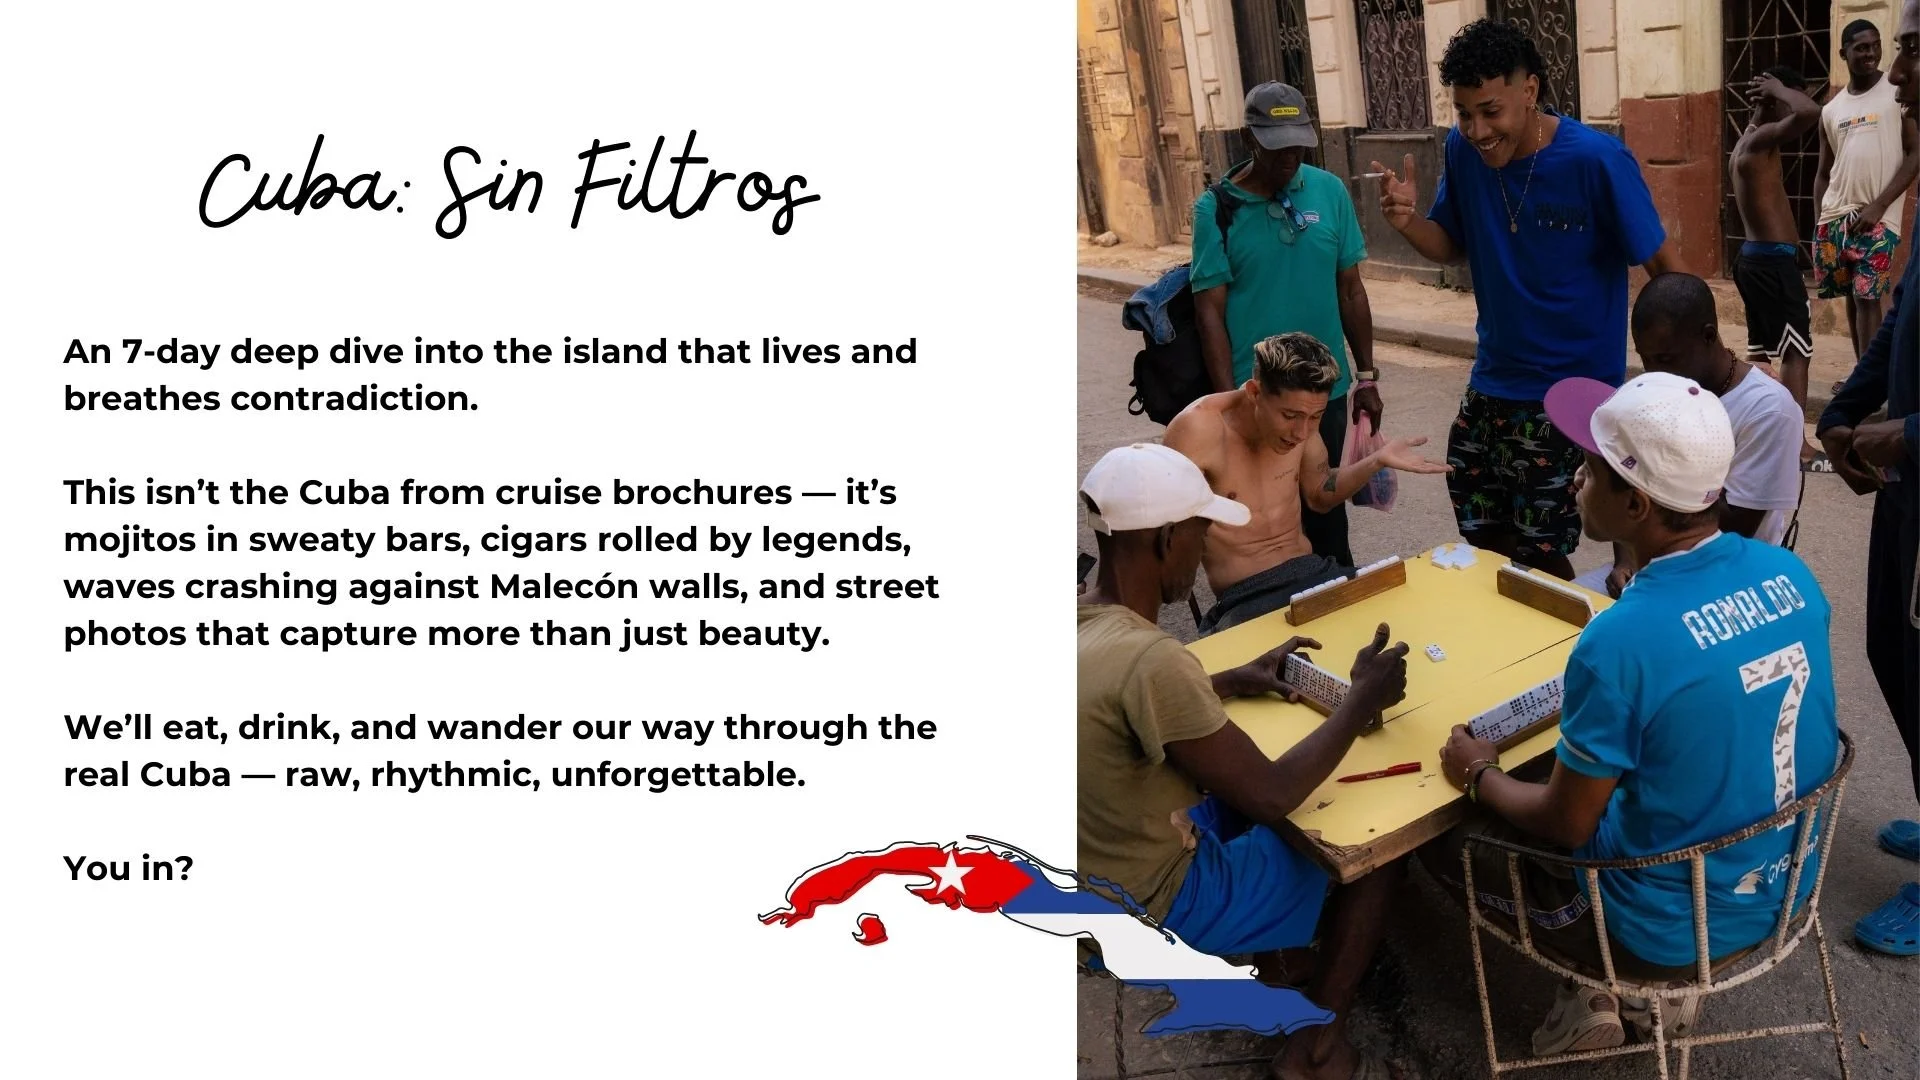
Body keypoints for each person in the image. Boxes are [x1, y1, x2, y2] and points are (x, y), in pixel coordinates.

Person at [1423, 371, 1840, 1054]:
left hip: (1665, 933)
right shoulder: (1788, 573)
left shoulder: (1620, 640)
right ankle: (1624, 994)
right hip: (1788, 885)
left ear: (1636, 505)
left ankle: (1601, 990)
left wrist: (1478, 774)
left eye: (1590, 471)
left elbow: (1565, 823)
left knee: (1445, 838)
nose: (1575, 482)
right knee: (1594, 767)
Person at [1077, 441, 1415, 1080]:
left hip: (1075, 882)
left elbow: (1121, 703)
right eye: (1199, 532)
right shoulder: (1153, 660)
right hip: (1147, 907)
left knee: (1227, 790)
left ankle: (1281, 960)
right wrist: (1359, 701)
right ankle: (1317, 1046)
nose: (1203, 549)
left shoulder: (1079, 617)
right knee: (1377, 845)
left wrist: (1230, 679)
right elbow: (1272, 792)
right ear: (1168, 538)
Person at [1372, 19, 1683, 581]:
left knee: (1542, 549)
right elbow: (1451, 246)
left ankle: (1575, 623)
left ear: (1530, 90)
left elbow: (1666, 269)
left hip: (1573, 390)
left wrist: (1678, 382)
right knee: (1481, 528)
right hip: (1493, 379)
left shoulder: (1596, 160)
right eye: (1463, 113)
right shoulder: (1463, 151)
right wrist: (1407, 221)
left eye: (1490, 111)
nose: (1477, 129)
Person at [1815, 0, 1920, 959]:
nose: (1903, 76)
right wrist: (1846, 409)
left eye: (1916, 55)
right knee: (1892, 646)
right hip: (1908, 495)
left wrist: (1907, 434)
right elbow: (1901, 323)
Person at [1192, 82, 1381, 567]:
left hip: (1323, 396)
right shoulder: (1216, 210)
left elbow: (1351, 290)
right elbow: (1209, 312)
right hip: (1258, 397)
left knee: (1326, 516)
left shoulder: (1329, 191)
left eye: (1298, 146)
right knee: (1267, 525)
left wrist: (1366, 378)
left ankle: (1335, 590)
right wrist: (1227, 403)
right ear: (1249, 139)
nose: (1289, 158)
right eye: (1276, 147)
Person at [1165, 332, 1451, 635]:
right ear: (1254, 392)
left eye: (1316, 417)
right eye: (1290, 415)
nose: (1302, 433)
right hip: (1246, 596)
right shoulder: (1198, 430)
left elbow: (1319, 493)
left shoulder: (1302, 422)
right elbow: (1160, 532)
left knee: (1409, 620)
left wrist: (1376, 460)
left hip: (1311, 572)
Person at [1575, 273, 1806, 596]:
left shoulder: (1768, 409)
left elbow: (1734, 527)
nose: (1654, 372)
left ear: (1708, 336)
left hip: (1726, 580)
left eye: (1665, 359)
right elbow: (1626, 479)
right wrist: (1625, 560)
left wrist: (1639, 483)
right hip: (1648, 563)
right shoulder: (1658, 389)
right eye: (1645, 359)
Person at [1816, 19, 1920, 363]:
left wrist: (1879, 205)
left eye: (1876, 46)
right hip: (1836, 216)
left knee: (1868, 297)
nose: (1871, 54)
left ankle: (1870, 381)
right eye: (1861, 48)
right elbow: (1824, 173)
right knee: (1851, 294)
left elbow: (1915, 152)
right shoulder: (1831, 110)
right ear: (1843, 53)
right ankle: (1860, 373)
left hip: (1878, 215)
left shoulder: (1896, 91)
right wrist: (1820, 221)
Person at [1729, 66, 1822, 439]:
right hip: (1771, 262)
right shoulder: (1760, 140)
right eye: (1790, 97)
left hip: (1755, 259)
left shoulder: (1747, 140)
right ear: (1776, 99)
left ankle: (1755, 434)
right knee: (1798, 352)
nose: (1794, 103)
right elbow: (1810, 112)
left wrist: (1777, 92)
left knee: (1758, 353)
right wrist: (1780, 88)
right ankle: (1795, 444)